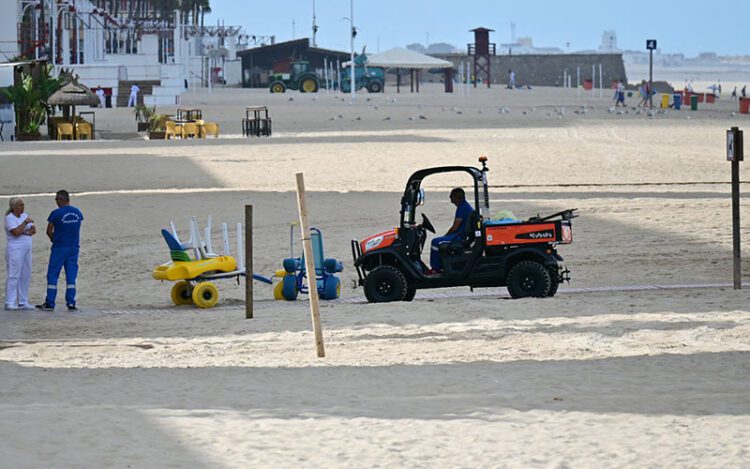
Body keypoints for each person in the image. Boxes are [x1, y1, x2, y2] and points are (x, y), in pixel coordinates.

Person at [37, 190, 84, 312]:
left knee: (53, 274)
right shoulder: (78, 213)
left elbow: (48, 231)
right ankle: (71, 302)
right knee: (71, 276)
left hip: (59, 247)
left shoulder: (56, 213)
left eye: (56, 199)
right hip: (74, 247)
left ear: (60, 199)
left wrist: (55, 239)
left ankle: (50, 302)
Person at [427, 188, 474, 274]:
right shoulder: (464, 206)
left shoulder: (462, 208)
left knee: (435, 242)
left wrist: (445, 236)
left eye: (451, 196)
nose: (450, 198)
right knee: (440, 241)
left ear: (456, 197)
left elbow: (455, 227)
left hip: (460, 237)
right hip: (462, 235)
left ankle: (435, 268)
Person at [5, 198, 36, 310]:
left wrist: (26, 230)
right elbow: (16, 232)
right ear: (14, 207)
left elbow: (33, 229)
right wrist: (24, 224)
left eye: (23, 205)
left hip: (26, 248)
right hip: (15, 249)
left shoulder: (24, 215)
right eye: (20, 205)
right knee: (14, 275)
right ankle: (10, 301)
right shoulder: (9, 218)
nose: (23, 207)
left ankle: (23, 301)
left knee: (25, 274)